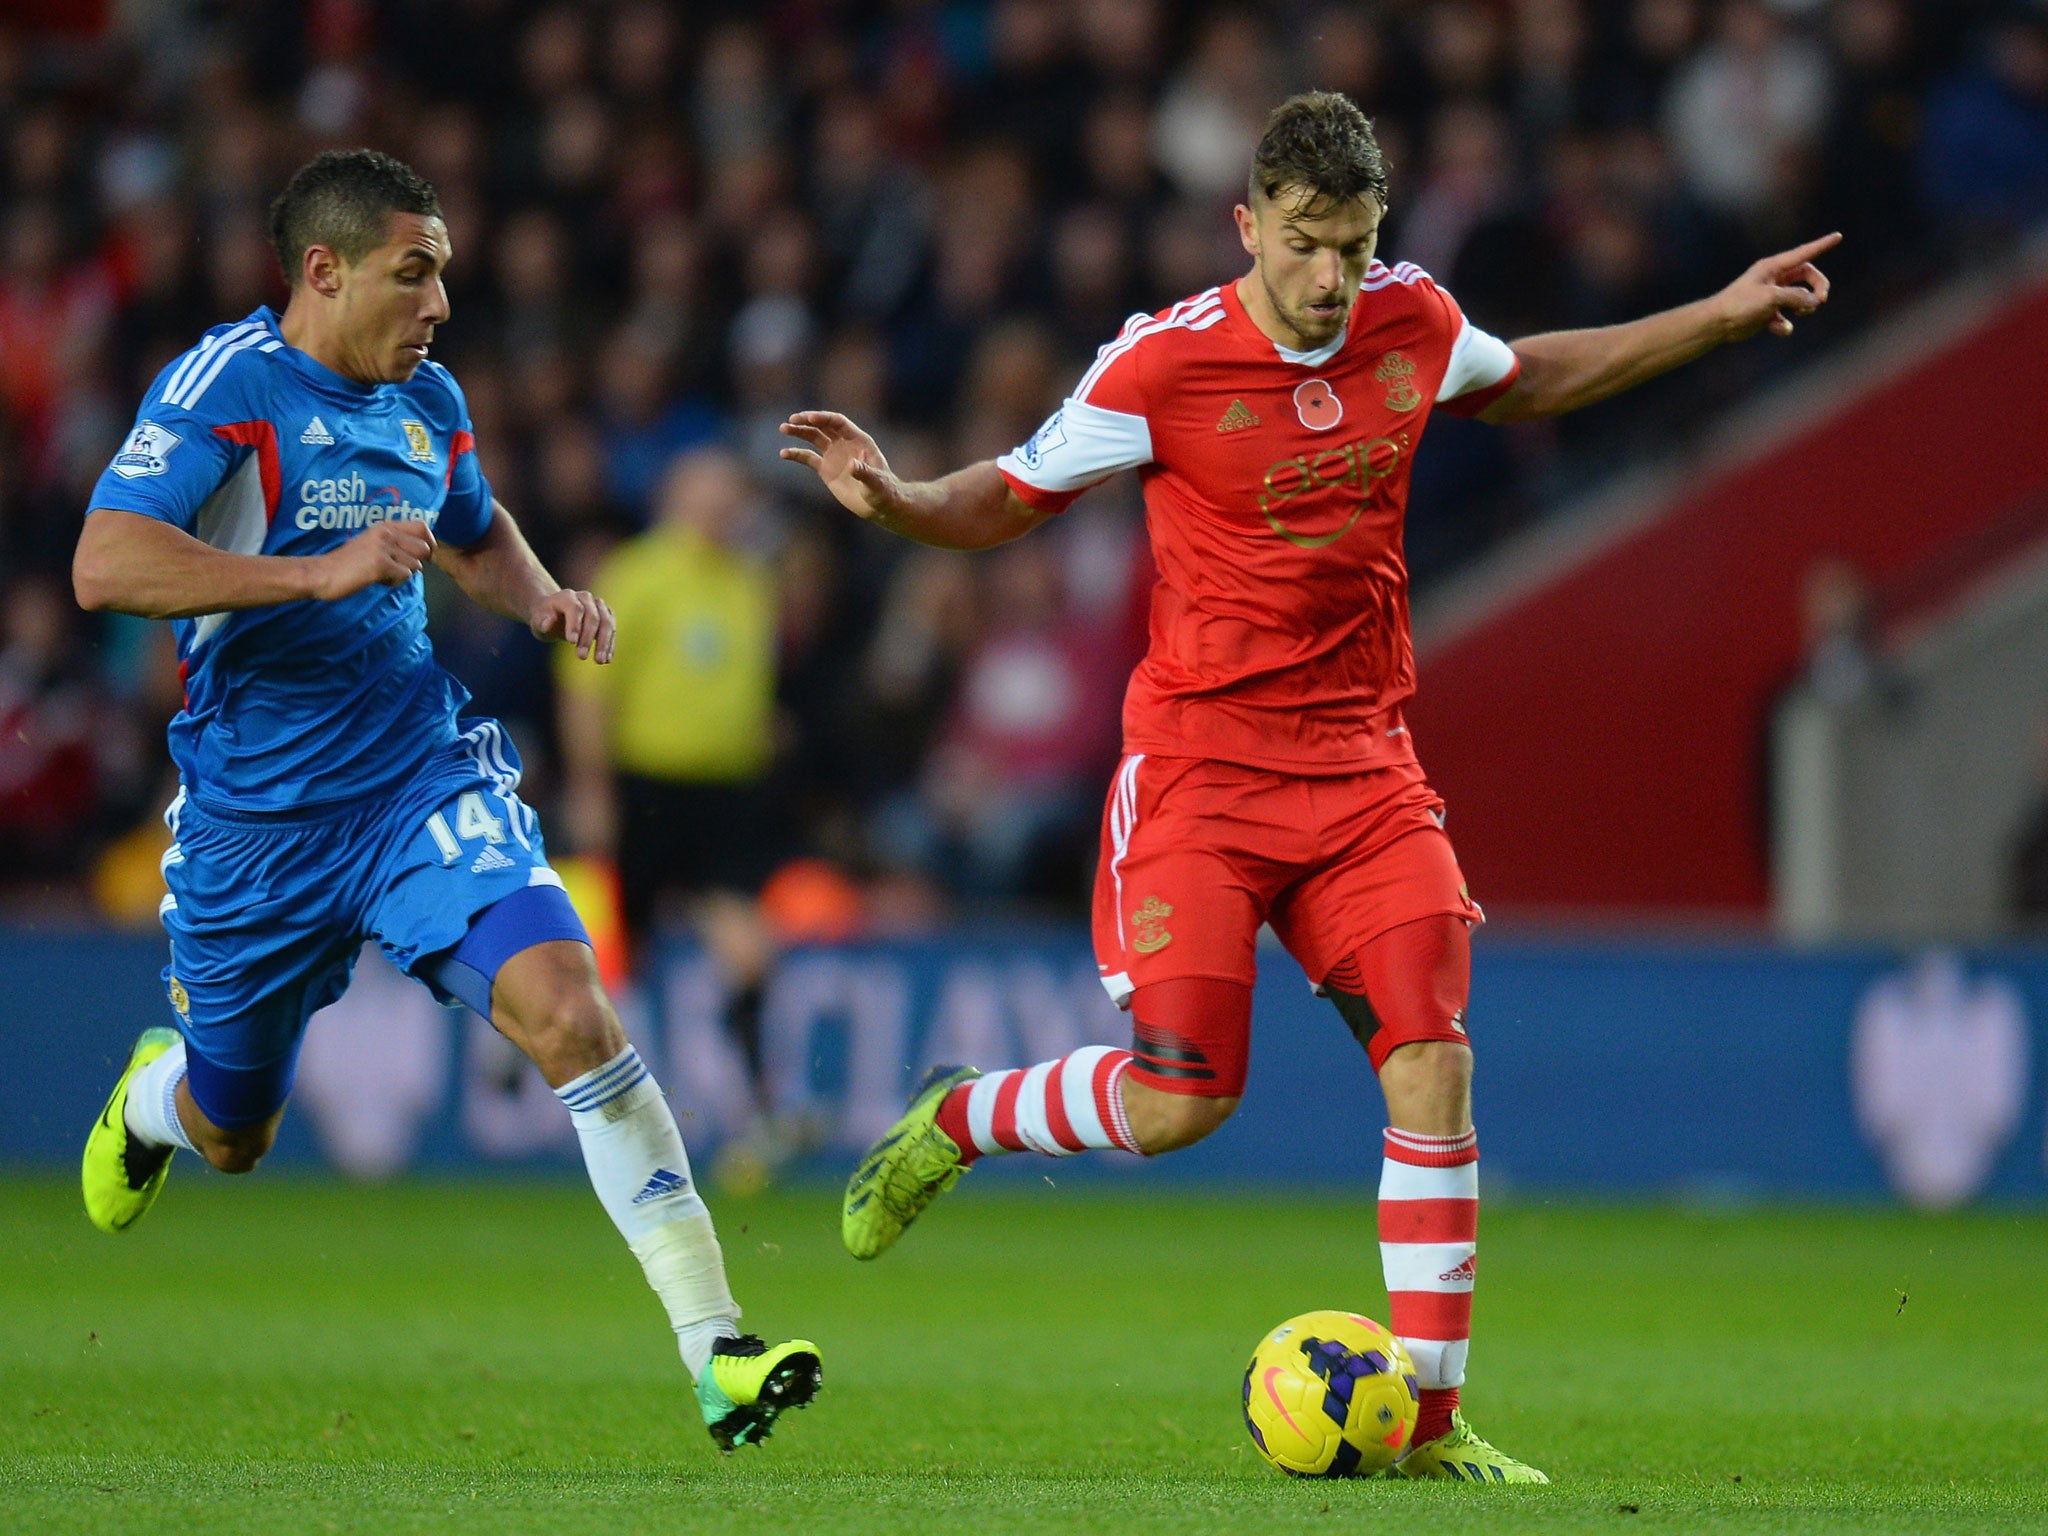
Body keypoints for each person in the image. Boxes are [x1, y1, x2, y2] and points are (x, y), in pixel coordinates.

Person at [782, 91, 1837, 1483]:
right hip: (1202, 778)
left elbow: (1532, 375)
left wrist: (1714, 313)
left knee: (1434, 1059)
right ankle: (960, 1117)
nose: (1332, 277)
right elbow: (1012, 495)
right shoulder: (1161, 367)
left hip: (1362, 769)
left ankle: (1435, 1433)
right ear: (1249, 226)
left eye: (1353, 244)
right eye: (1304, 244)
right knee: (1180, 1105)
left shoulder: (1410, 318)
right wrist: (902, 500)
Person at [73, 149, 819, 1453]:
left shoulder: (427, 399)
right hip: (255, 824)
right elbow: (105, 561)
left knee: (573, 1013)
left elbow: (470, 524)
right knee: (232, 1133)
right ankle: (152, 1102)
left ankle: (720, 1353)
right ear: (325, 270)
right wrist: (315, 577)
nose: (440, 305)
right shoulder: (226, 389)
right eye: (415, 273)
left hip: (418, 778)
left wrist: (538, 599)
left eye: (445, 275)